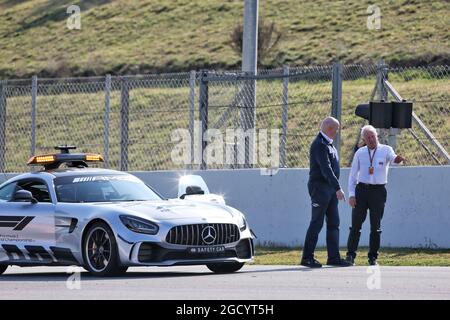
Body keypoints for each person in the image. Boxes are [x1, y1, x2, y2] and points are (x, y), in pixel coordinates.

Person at [346, 125, 405, 266]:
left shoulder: (386, 150)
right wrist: (351, 195)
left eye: (372, 136)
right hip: (361, 191)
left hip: (378, 192)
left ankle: (373, 257)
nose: (371, 139)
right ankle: (350, 255)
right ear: (364, 139)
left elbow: (393, 158)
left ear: (376, 136)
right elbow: (352, 176)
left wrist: (398, 159)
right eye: (367, 137)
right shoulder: (360, 153)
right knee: (355, 225)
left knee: (375, 226)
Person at [301, 117, 352, 268]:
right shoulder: (319, 144)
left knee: (334, 223)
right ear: (329, 128)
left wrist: (334, 188)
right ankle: (307, 257)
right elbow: (326, 169)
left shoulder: (329, 145)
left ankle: (333, 257)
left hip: (329, 190)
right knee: (316, 223)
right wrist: (338, 187)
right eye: (336, 129)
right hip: (320, 189)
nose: (337, 132)